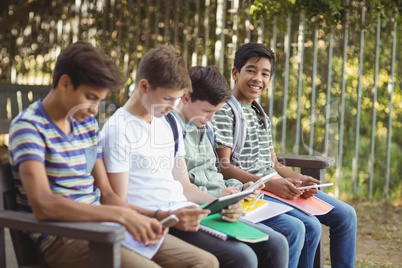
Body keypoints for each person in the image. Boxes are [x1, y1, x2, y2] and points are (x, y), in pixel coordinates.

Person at [8, 41, 218, 268]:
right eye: (90, 97)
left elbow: (107, 193)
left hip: (105, 226)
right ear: (65, 83)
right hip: (64, 237)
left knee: (206, 262)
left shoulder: (86, 123)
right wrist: (121, 216)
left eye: (100, 100)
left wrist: (144, 218)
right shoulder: (29, 127)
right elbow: (44, 204)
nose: (95, 109)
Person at [101, 45, 286, 268]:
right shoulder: (118, 129)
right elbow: (118, 204)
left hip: (186, 212)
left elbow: (184, 187)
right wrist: (167, 215)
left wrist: (221, 204)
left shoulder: (167, 122)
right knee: (243, 257)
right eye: (168, 98)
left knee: (275, 244)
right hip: (160, 220)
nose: (172, 107)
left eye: (176, 99)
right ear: (144, 86)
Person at [212, 42, 357, 268]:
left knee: (346, 215)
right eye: (251, 70)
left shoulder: (261, 114)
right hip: (254, 189)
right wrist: (270, 185)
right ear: (235, 72)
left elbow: (274, 163)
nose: (257, 78)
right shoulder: (225, 110)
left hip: (275, 183)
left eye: (265, 73)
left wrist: (298, 180)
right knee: (309, 226)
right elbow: (224, 166)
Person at [173, 65, 301, 267]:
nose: (210, 119)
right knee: (267, 246)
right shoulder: (172, 129)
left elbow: (214, 172)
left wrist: (240, 188)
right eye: (207, 111)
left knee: (281, 240)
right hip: (205, 207)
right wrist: (221, 199)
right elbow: (183, 185)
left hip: (225, 201)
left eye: (214, 112)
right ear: (186, 97)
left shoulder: (204, 126)